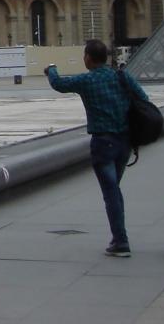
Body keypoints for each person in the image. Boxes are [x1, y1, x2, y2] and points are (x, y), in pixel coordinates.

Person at [45, 39, 150, 257]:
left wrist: (51, 69)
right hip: (124, 142)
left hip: (103, 144)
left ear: (89, 58)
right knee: (114, 189)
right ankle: (118, 238)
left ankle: (121, 241)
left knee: (111, 192)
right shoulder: (121, 76)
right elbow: (143, 98)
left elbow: (59, 84)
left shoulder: (87, 80)